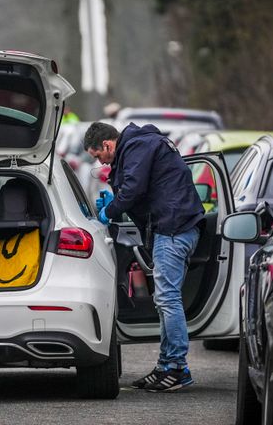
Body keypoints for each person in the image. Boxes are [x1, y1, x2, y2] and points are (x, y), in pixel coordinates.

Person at [84, 121, 205, 392]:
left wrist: (110, 211)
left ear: (106, 145)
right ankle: (166, 365)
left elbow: (133, 189)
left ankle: (176, 368)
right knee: (164, 299)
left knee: (167, 298)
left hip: (174, 229)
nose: (100, 162)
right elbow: (142, 192)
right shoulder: (140, 146)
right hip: (173, 227)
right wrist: (116, 204)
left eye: (98, 156)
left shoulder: (138, 146)